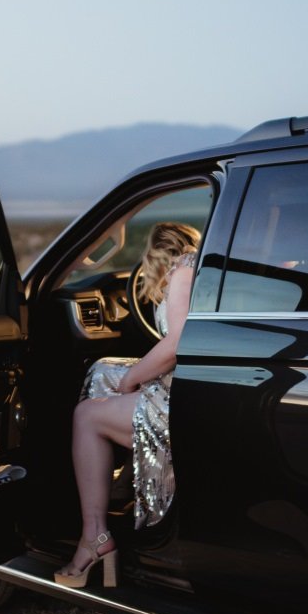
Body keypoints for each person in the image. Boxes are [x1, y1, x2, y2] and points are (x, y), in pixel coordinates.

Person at [56, 222, 201, 587]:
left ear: (154, 255)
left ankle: (95, 537)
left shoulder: (184, 267)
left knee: (86, 416)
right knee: (103, 370)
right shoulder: (203, 266)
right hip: (187, 384)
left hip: (184, 399)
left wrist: (135, 376)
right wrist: (128, 374)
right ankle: (116, 481)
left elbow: (178, 342)